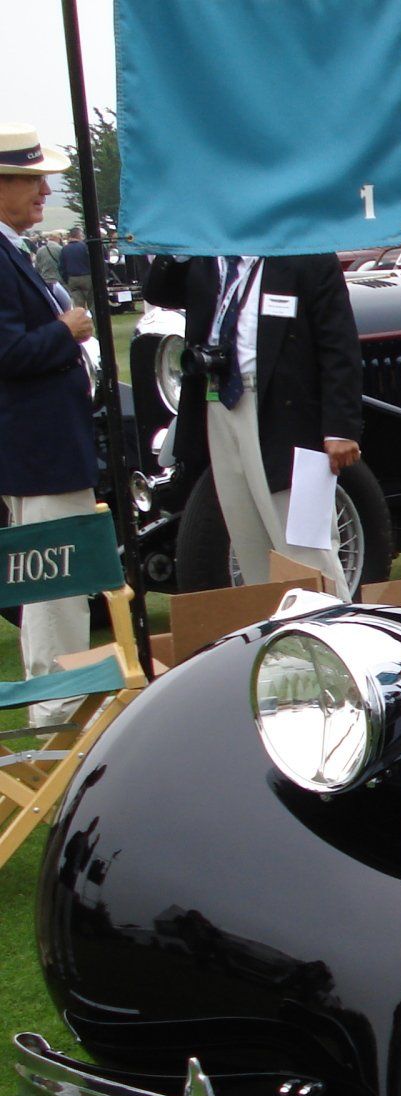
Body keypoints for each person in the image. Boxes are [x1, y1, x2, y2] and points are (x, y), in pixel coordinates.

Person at [141, 250, 362, 598]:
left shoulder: (306, 252)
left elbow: (339, 343)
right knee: (249, 546)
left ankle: (331, 637)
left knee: (308, 549)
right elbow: (159, 292)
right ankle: (278, 645)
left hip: (289, 418)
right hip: (222, 403)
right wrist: (178, 246)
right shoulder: (206, 255)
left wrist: (340, 427)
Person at [0, 123, 97, 726]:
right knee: (58, 583)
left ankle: (55, 710)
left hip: (41, 451)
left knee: (50, 588)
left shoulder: (12, 251)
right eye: (32, 179)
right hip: (39, 454)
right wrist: (66, 332)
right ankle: (59, 713)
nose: (43, 191)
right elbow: (7, 354)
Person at [59, 226, 91, 321]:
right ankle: (97, 327)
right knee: (92, 304)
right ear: (79, 235)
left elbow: (61, 266)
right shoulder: (84, 247)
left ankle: (80, 327)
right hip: (86, 277)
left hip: (72, 279)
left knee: (78, 306)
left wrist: (66, 279)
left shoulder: (64, 249)